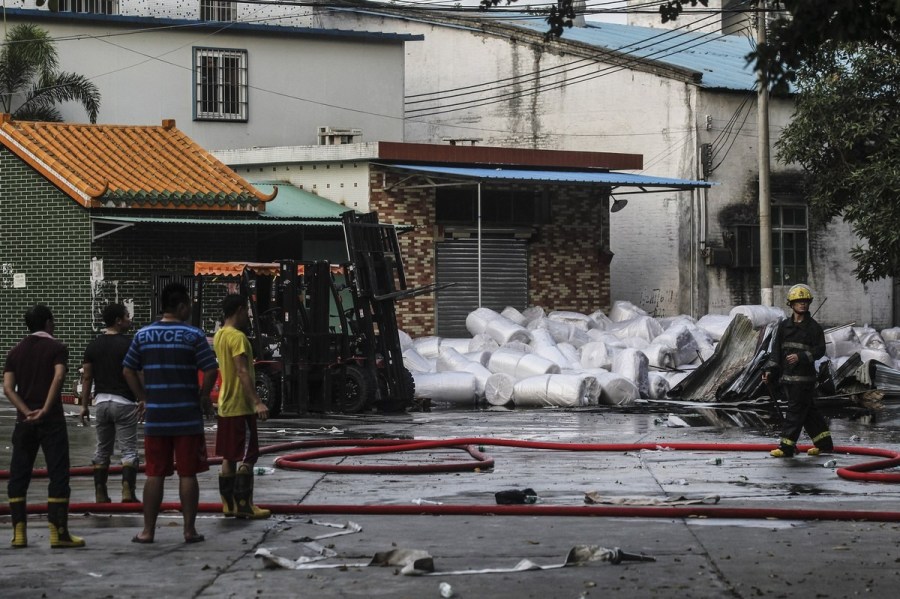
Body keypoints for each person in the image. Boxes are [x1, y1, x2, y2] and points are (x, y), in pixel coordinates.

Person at [123, 283, 218, 544]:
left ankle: (148, 531)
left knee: (154, 473)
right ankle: (189, 530)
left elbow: (128, 369)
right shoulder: (193, 335)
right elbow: (210, 369)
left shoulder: (143, 335)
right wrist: (203, 398)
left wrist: (143, 397)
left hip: (157, 417)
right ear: (181, 306)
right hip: (187, 416)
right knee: (188, 473)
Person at [4, 304, 85, 548]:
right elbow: (59, 376)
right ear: (49, 322)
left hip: (24, 422)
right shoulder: (57, 347)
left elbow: (8, 388)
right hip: (52, 421)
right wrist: (46, 408)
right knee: (58, 473)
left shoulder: (15, 351)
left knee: (19, 474)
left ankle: (19, 533)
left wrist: (27, 411)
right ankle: (58, 533)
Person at [214, 294, 271, 519]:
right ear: (238, 310)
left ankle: (228, 505)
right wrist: (257, 401)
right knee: (248, 455)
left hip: (225, 404)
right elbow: (242, 370)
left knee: (228, 456)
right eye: (246, 310)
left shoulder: (219, 335)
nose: (248, 315)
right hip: (241, 405)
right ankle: (245, 505)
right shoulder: (237, 338)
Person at [80, 303, 141, 504]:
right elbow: (136, 373)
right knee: (128, 450)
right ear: (118, 321)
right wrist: (143, 397)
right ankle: (127, 492)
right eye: (127, 316)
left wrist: (84, 405)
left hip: (102, 403)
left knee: (102, 449)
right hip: (124, 402)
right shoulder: (130, 344)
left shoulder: (93, 345)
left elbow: (87, 378)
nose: (129, 320)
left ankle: (100, 492)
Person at [762, 284, 833, 458]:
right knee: (809, 413)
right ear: (791, 305)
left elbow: (820, 350)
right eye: (798, 301)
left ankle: (786, 447)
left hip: (804, 380)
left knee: (794, 412)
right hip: (788, 379)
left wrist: (801, 357)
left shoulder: (814, 328)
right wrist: (769, 370)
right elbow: (776, 352)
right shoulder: (784, 327)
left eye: (805, 301)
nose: (802, 304)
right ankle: (824, 444)